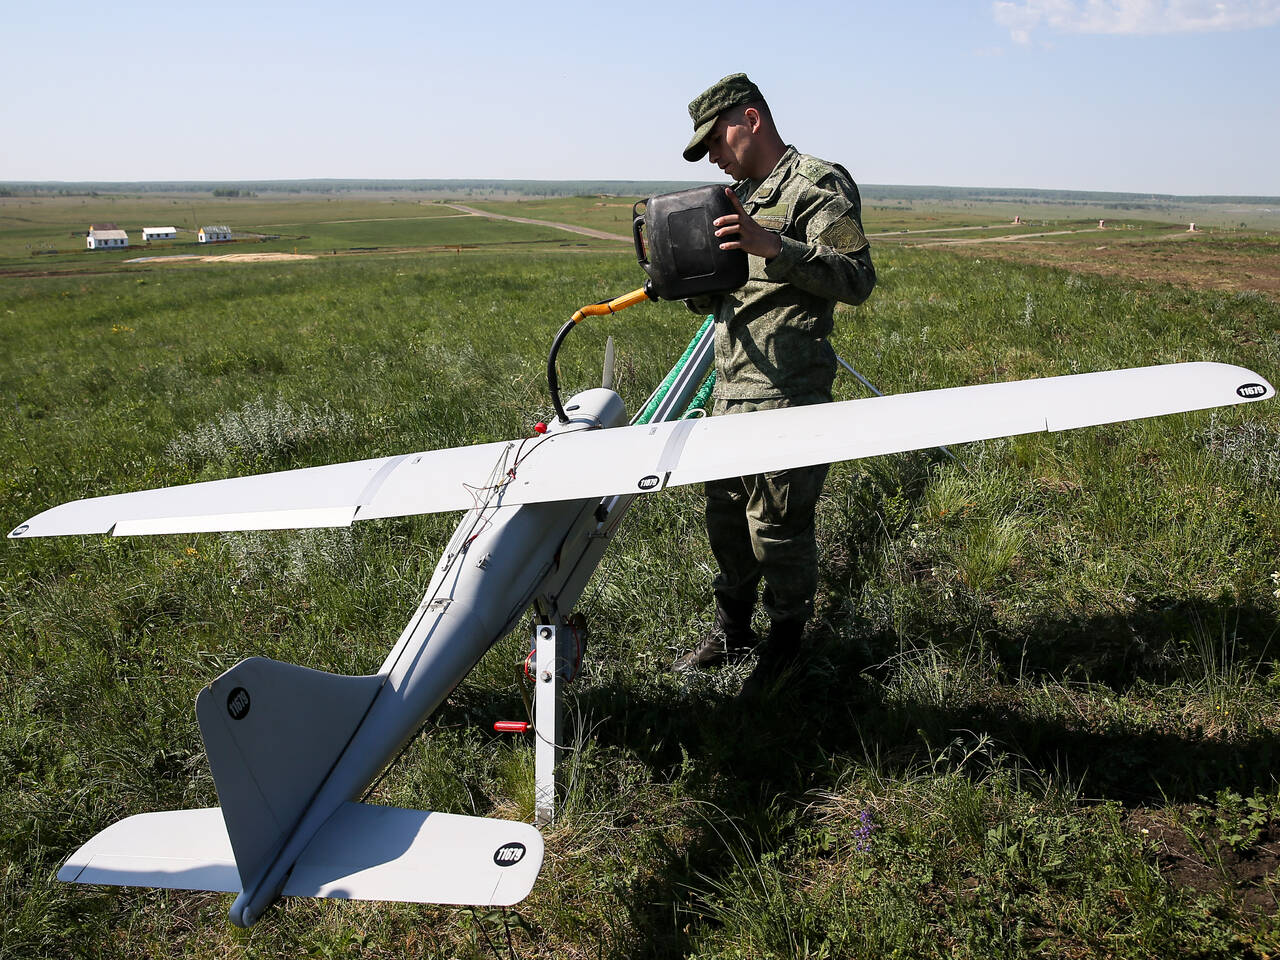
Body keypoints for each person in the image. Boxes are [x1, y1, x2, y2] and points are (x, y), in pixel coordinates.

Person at [672, 73, 876, 685]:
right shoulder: (737, 197)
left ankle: (787, 638)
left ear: (751, 119)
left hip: (790, 393)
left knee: (779, 528)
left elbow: (856, 278)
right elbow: (729, 299)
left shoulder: (818, 184)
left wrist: (773, 246)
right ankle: (734, 632)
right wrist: (685, 278)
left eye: (716, 138)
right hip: (730, 388)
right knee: (726, 520)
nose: (712, 153)